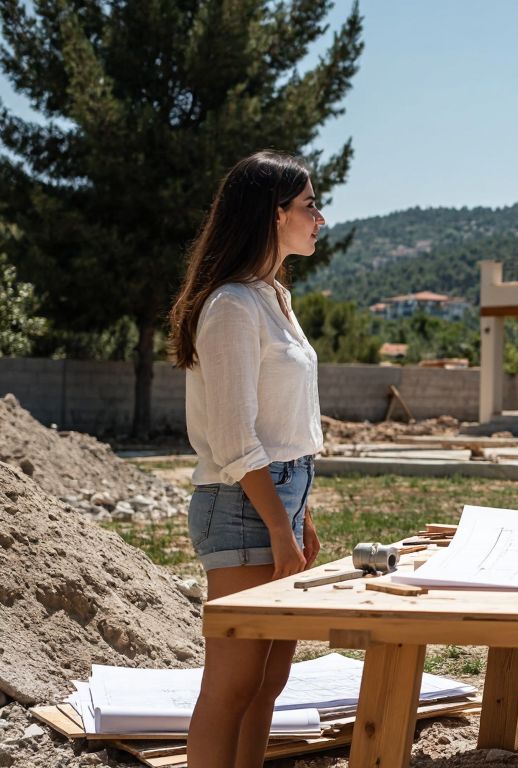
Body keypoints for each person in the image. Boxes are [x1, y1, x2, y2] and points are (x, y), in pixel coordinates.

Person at [167, 150, 326, 767]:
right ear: (273, 213)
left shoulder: (273, 298)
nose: (319, 219)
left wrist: (301, 517)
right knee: (231, 685)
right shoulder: (232, 304)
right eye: (309, 206)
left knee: (269, 684)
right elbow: (236, 439)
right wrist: (282, 530)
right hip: (240, 506)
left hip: (281, 498)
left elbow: (288, 430)